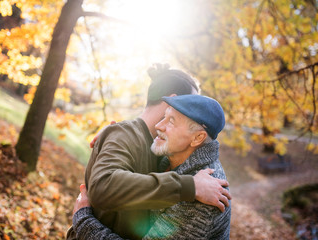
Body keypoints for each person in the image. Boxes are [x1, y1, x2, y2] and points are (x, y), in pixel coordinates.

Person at [66, 65, 231, 239]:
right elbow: (104, 186)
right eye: (188, 103)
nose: (195, 107)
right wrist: (115, 133)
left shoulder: (196, 179)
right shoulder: (127, 137)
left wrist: (84, 221)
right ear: (170, 102)